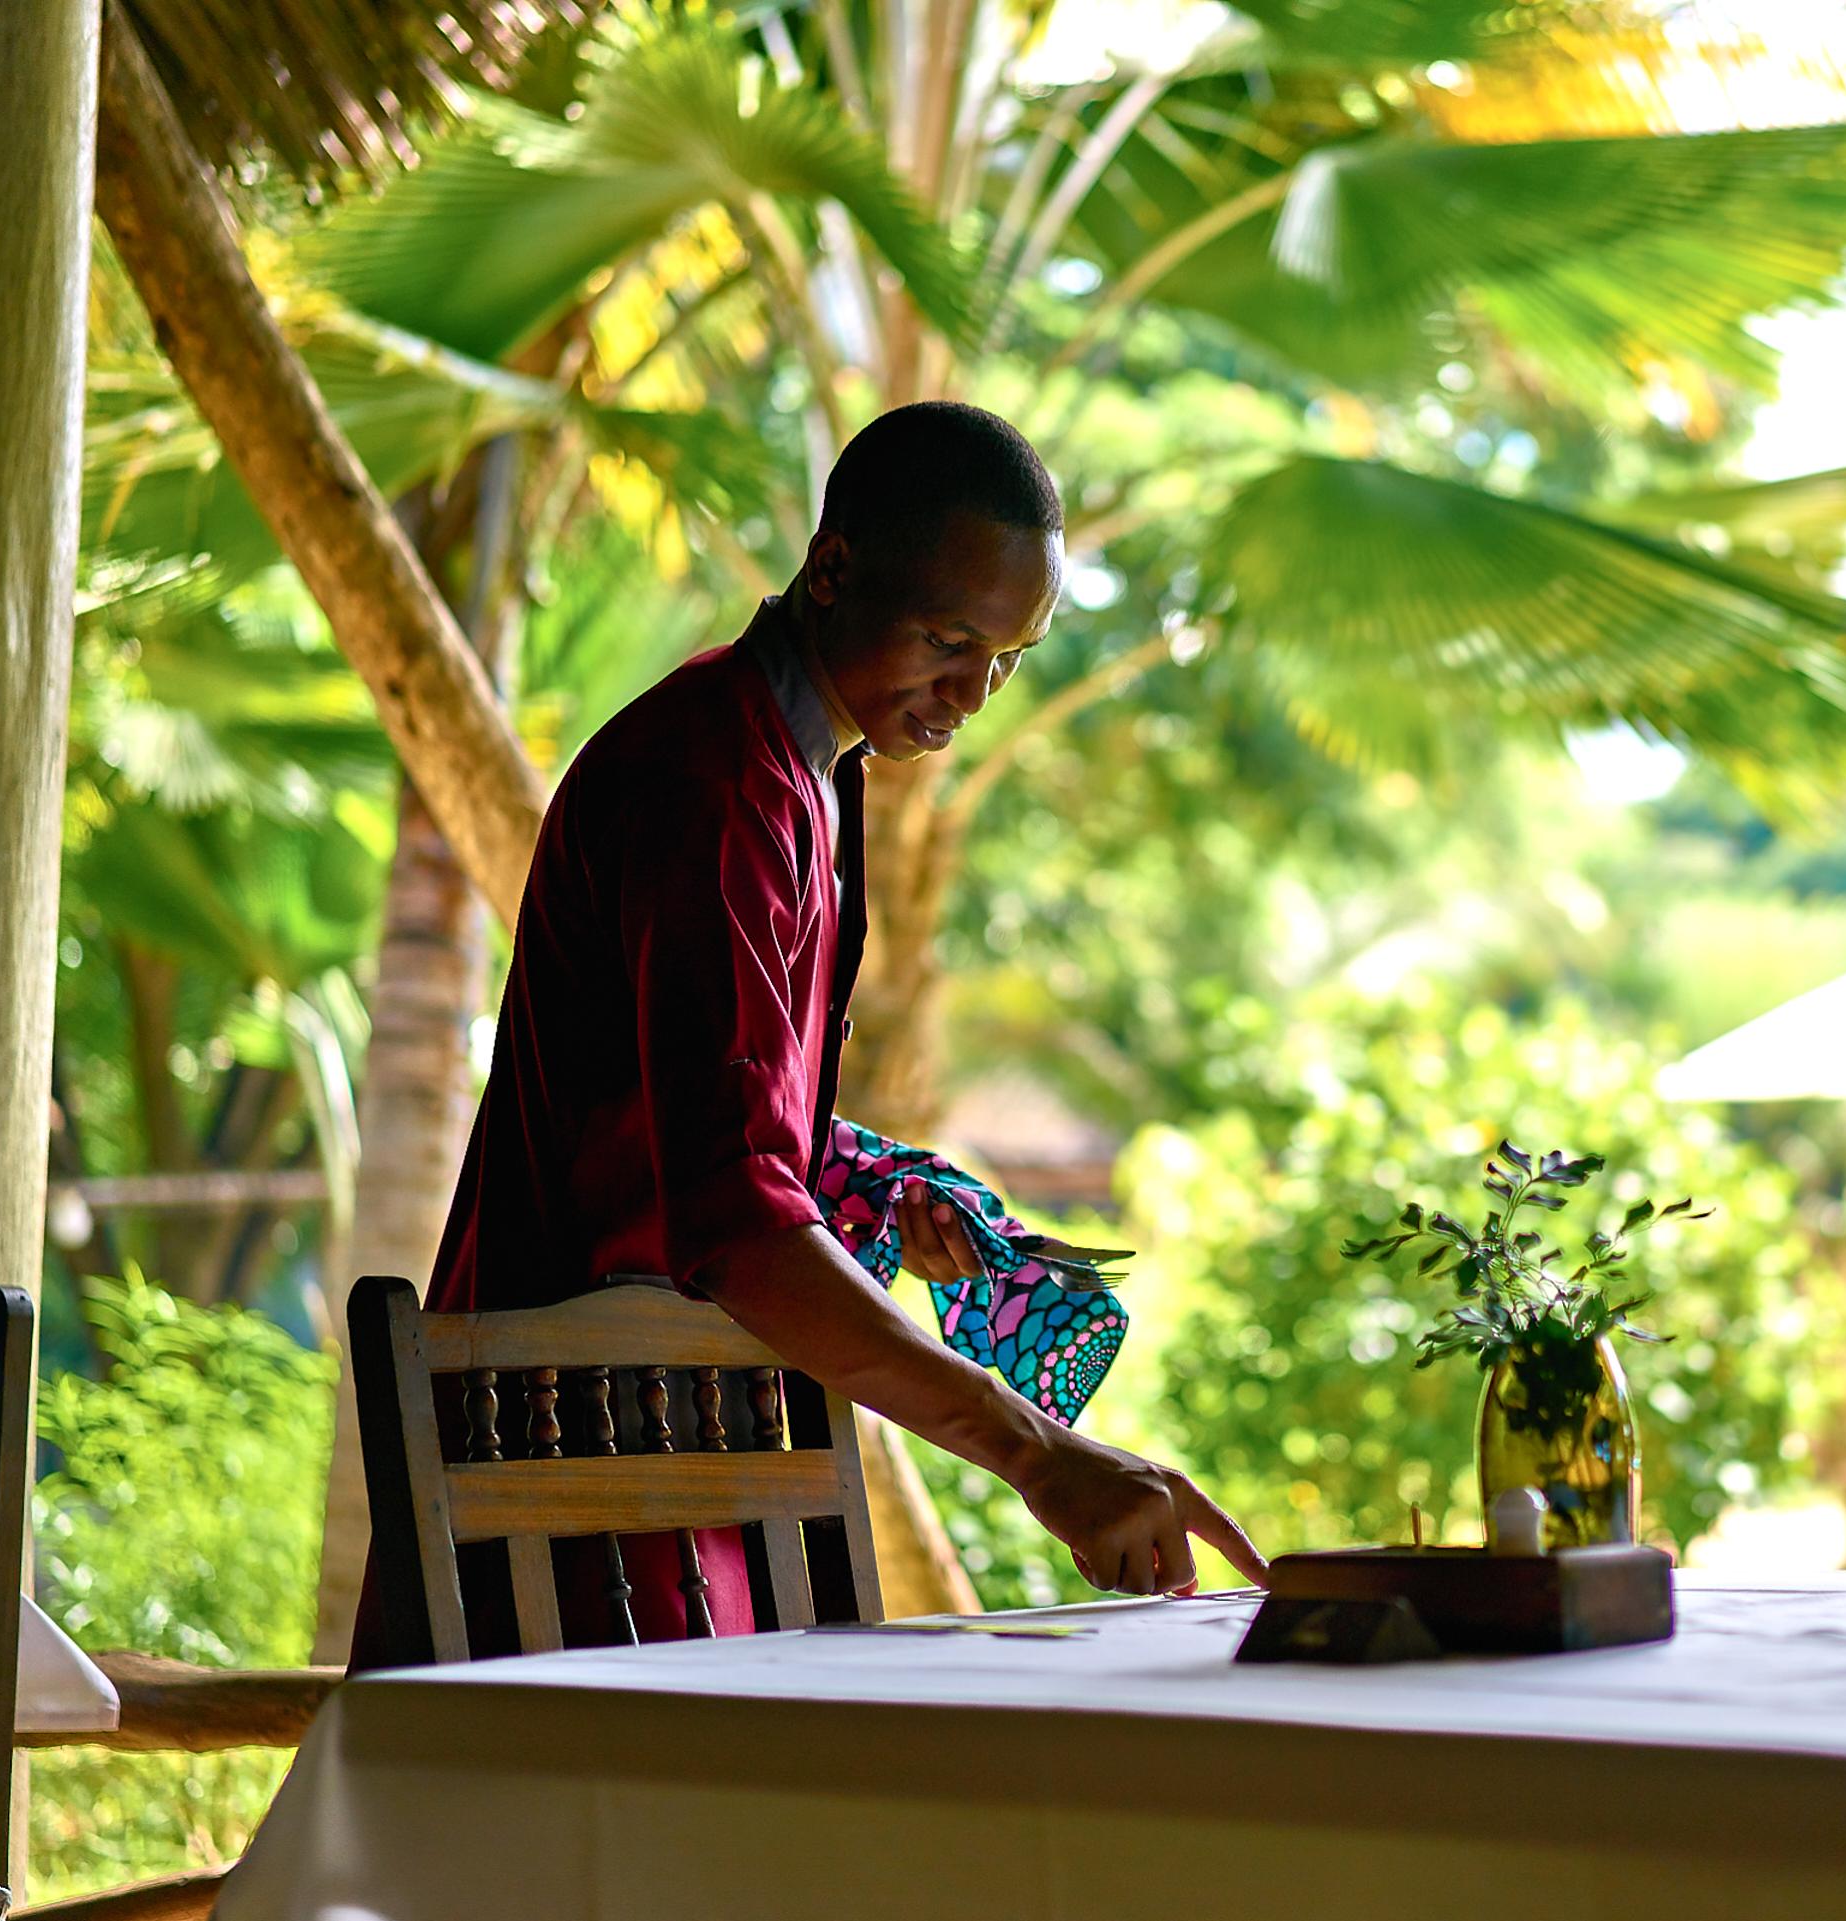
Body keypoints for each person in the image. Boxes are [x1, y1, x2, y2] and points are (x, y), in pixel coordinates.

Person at [363, 404, 1262, 1661]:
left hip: (667, 1425)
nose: (971, 696)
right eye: (949, 642)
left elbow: (696, 1107)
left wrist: (870, 1191)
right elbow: (733, 1224)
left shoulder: (804, 774)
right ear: (832, 570)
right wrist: (1038, 1452)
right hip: (570, 1457)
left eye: (1006, 659)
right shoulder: (713, 783)